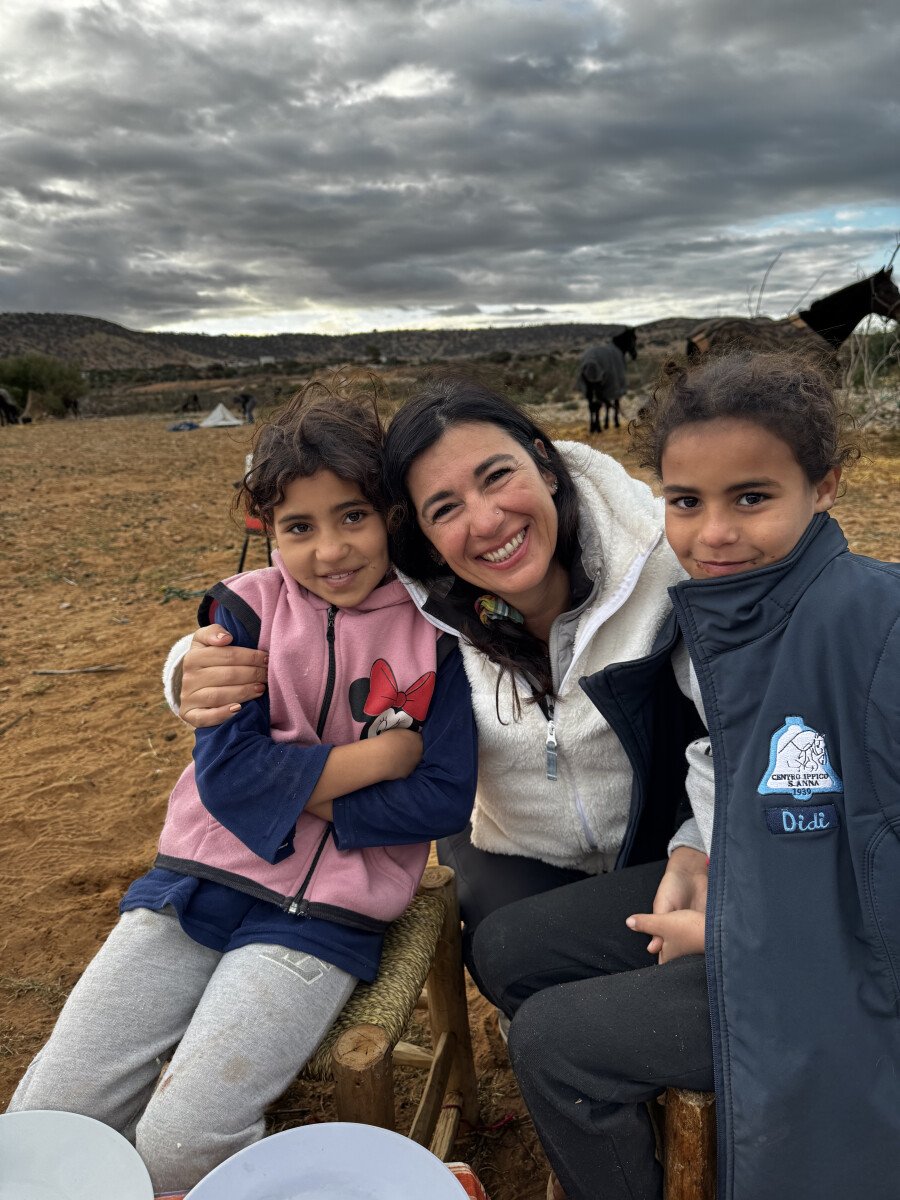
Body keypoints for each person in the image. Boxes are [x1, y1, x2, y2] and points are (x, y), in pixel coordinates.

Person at [8, 382, 477, 1193]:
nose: (330, 550)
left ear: (391, 513)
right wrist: (379, 759)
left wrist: (289, 781)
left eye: (352, 516)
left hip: (327, 915)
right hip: (193, 887)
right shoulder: (242, 614)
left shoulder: (440, 632)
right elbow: (228, 778)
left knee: (183, 1142)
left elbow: (442, 799)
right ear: (267, 530)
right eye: (299, 526)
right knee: (51, 1112)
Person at [472, 350, 900, 1200]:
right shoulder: (719, 619)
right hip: (750, 893)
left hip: (835, 976)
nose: (713, 534)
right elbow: (729, 759)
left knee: (553, 1043)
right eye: (685, 502)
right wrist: (694, 848)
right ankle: (647, 1134)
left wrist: (738, 938)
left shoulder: (874, 629)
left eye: (752, 497)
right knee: (508, 947)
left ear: (826, 487)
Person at [169, 374, 706, 995]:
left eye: (497, 475)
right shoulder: (420, 601)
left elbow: (756, 689)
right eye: (444, 508)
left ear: (546, 464)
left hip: (661, 835)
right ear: (416, 531)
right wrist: (190, 665)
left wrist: (696, 836)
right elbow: (304, 623)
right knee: (508, 963)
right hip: (510, 841)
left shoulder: (660, 558)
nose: (485, 521)